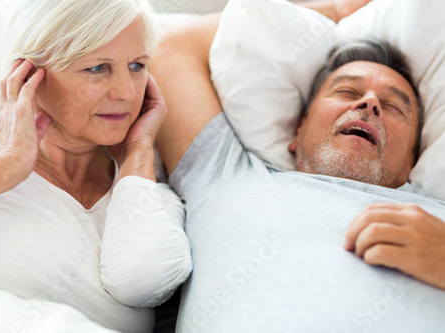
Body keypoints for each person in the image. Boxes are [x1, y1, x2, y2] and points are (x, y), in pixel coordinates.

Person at [149, 3, 445, 333]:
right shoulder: (225, 172)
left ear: (411, 159)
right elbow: (169, 50)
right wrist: (333, 11)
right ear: (299, 128)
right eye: (347, 90)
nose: (369, 103)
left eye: (392, 106)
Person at [0, 0, 191, 332]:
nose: (127, 92)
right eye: (97, 68)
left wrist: (138, 151)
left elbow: (141, 283)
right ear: (29, 75)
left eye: (136, 66)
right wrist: (9, 165)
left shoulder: (148, 193)